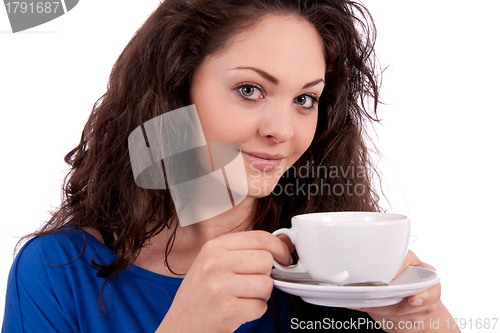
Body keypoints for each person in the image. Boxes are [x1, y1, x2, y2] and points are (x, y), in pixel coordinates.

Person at [2, 0, 460, 332]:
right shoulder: (58, 270)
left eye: (305, 99)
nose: (282, 129)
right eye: (250, 90)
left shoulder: (337, 279)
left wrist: (427, 322)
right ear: (176, 90)